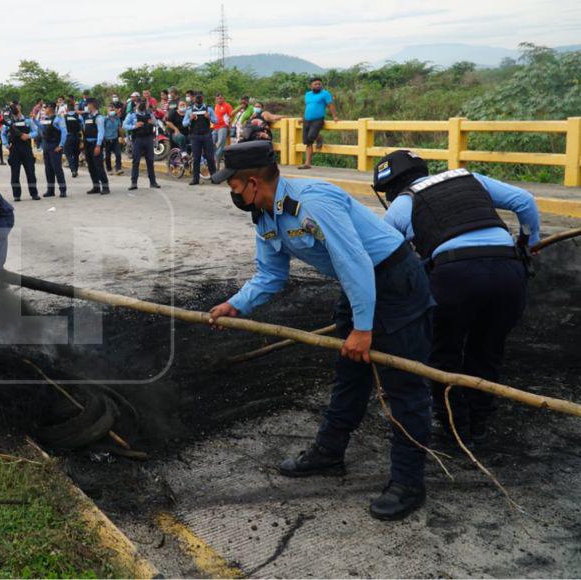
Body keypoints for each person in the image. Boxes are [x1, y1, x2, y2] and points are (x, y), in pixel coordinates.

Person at [208, 141, 434, 521]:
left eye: (230, 184)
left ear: (250, 182)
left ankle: (408, 483)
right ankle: (329, 453)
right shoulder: (265, 215)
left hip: (395, 281)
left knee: (404, 385)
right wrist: (236, 304)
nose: (229, 191)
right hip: (357, 283)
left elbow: (354, 260)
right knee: (349, 373)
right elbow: (271, 274)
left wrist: (363, 328)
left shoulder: (313, 202)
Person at [372, 150, 540, 446]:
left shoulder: (401, 204)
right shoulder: (468, 177)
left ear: (390, 187)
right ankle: (480, 424)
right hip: (508, 271)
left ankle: (454, 429)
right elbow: (524, 201)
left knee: (443, 354)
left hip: (455, 277)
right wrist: (529, 243)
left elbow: (389, 259)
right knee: (488, 349)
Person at [1, 102, 40, 201]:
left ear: (20, 107)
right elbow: (3, 134)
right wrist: (6, 144)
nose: (16, 108)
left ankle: (34, 193)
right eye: (14, 107)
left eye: (17, 106)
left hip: (26, 148)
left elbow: (36, 131)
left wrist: (28, 136)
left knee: (31, 172)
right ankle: (17, 195)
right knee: (15, 173)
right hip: (14, 149)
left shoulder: (27, 120)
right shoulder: (9, 122)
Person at [299, 77, 340, 169]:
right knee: (307, 142)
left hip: (318, 119)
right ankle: (307, 163)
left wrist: (335, 116)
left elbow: (330, 105)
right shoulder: (307, 94)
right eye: (315, 84)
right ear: (311, 86)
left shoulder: (325, 94)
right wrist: (302, 118)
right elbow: (307, 106)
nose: (317, 85)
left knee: (311, 136)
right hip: (306, 120)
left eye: (319, 84)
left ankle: (319, 137)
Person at [123, 98, 160, 191]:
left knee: (150, 160)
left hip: (148, 138)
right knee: (136, 161)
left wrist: (153, 122)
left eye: (144, 103)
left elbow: (156, 123)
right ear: (136, 104)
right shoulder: (131, 114)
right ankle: (134, 183)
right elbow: (124, 125)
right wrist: (134, 126)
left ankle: (153, 182)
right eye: (141, 103)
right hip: (137, 139)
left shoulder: (149, 113)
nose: (143, 105)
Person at [182, 92, 217, 186]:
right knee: (196, 158)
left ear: (203, 97)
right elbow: (184, 123)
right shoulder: (190, 110)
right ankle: (195, 179)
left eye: (200, 97)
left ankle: (214, 178)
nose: (198, 99)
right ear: (194, 98)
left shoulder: (208, 109)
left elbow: (216, 120)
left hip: (207, 135)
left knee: (210, 157)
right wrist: (190, 119)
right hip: (195, 136)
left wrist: (209, 117)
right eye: (197, 97)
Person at [38, 102, 68, 198]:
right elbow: (41, 128)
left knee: (57, 169)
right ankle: (50, 190)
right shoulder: (45, 119)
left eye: (45, 108)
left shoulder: (58, 119)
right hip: (46, 146)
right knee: (48, 169)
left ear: (50, 108)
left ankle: (63, 190)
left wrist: (61, 145)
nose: (44, 110)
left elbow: (64, 132)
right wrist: (34, 120)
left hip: (55, 146)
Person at [81, 98, 110, 195]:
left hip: (95, 144)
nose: (86, 106)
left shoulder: (99, 117)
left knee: (98, 166)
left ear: (92, 105)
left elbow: (101, 132)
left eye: (87, 104)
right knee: (91, 166)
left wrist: (98, 145)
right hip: (87, 144)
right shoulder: (88, 117)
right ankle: (96, 186)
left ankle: (105, 187)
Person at [212, 93, 234, 164]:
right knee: (210, 141)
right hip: (215, 127)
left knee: (221, 143)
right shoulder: (216, 106)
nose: (219, 100)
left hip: (223, 127)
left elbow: (231, 116)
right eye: (217, 99)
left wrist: (230, 126)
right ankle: (216, 156)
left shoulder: (227, 105)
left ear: (223, 98)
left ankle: (217, 160)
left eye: (221, 98)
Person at [63, 103, 83, 178]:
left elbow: (62, 129)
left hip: (68, 136)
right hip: (77, 136)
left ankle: (73, 169)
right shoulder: (79, 116)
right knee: (76, 154)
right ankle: (76, 170)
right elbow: (82, 126)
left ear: (67, 110)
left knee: (67, 153)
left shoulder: (64, 117)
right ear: (74, 110)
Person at [103, 105, 123, 175]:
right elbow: (101, 130)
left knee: (118, 154)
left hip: (115, 139)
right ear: (107, 111)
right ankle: (109, 169)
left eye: (112, 110)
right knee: (108, 156)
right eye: (110, 110)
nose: (111, 112)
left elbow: (119, 128)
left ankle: (118, 168)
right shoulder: (105, 119)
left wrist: (122, 137)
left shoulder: (117, 119)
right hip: (107, 140)